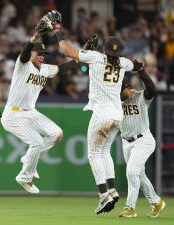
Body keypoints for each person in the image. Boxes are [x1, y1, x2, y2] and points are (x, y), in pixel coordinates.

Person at [49, 11, 144, 214]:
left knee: (94, 154)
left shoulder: (96, 58)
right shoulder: (124, 63)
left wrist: (57, 30)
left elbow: (67, 50)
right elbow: (137, 64)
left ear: (104, 49)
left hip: (101, 114)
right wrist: (139, 64)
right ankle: (112, 190)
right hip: (118, 115)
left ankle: (104, 195)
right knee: (104, 152)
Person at [0, 24, 77, 194]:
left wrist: (78, 58)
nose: (42, 57)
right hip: (13, 114)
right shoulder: (23, 65)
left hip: (30, 112)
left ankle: (29, 159)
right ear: (32, 54)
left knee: (57, 134)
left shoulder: (45, 69)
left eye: (44, 54)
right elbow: (25, 52)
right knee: (36, 142)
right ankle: (24, 177)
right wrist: (34, 38)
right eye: (39, 53)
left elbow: (62, 68)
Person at [119, 69, 165, 218]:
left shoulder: (140, 97)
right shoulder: (115, 102)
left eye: (126, 88)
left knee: (132, 172)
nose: (128, 91)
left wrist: (141, 71)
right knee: (139, 174)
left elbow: (151, 89)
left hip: (143, 139)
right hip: (126, 142)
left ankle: (130, 207)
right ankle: (156, 202)